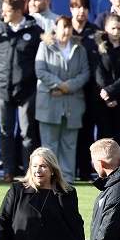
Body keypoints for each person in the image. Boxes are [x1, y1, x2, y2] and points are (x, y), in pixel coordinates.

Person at [0, 0, 42, 182]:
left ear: (18, 11)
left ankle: (28, 172)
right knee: (5, 132)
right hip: (1, 89)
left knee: (27, 134)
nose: (3, 14)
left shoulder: (34, 31)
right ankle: (8, 170)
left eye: (7, 11)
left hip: (27, 90)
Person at [34, 16, 89, 184]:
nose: (66, 31)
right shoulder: (45, 46)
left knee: (69, 145)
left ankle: (67, 180)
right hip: (49, 104)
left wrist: (68, 87)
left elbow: (85, 73)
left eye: (68, 27)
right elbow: (40, 70)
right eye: (62, 27)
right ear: (55, 28)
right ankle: (48, 180)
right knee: (49, 146)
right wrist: (58, 85)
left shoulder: (79, 48)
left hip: (73, 104)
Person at [92, 14, 120, 157]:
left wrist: (112, 91)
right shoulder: (100, 47)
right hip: (102, 99)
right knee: (103, 136)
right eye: (113, 28)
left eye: (119, 28)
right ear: (106, 29)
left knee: (119, 136)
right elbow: (98, 72)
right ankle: (102, 173)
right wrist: (106, 95)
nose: (116, 31)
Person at [69, 0, 99, 182]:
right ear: (71, 9)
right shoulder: (64, 29)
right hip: (69, 90)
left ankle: (85, 169)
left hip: (89, 90)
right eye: (77, 7)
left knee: (87, 130)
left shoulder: (95, 32)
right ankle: (68, 170)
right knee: (70, 131)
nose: (81, 11)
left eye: (84, 8)